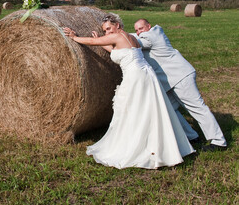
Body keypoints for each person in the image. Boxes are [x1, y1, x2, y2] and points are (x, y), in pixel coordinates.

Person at [63, 14, 195, 169]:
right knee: (147, 110)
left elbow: (93, 41)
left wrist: (74, 37)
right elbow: (114, 50)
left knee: (133, 111)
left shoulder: (118, 36)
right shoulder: (129, 38)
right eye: (105, 31)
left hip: (135, 77)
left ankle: (139, 147)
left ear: (118, 25)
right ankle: (158, 146)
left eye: (109, 28)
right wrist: (101, 40)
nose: (107, 33)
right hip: (145, 74)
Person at [133, 19, 227, 152]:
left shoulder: (151, 36)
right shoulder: (152, 33)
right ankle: (191, 136)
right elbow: (133, 36)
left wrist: (116, 35)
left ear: (148, 26)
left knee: (197, 108)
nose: (138, 32)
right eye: (136, 30)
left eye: (141, 28)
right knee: (168, 109)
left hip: (180, 76)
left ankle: (219, 141)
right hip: (172, 80)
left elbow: (132, 42)